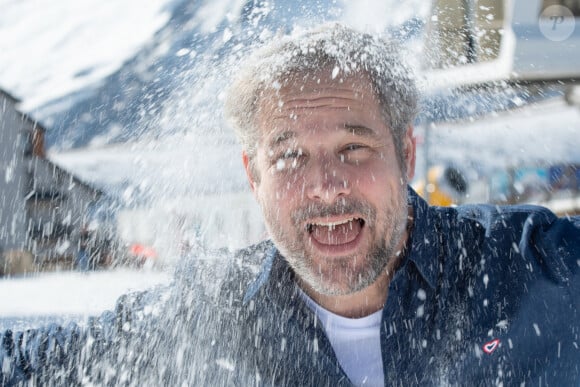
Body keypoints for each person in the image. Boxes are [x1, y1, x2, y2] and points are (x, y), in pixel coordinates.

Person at [1, 23, 579, 386]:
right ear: (253, 176)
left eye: (354, 147)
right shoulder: (210, 315)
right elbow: (37, 361)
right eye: (289, 158)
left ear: (405, 151)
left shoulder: (533, 270)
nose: (326, 185)